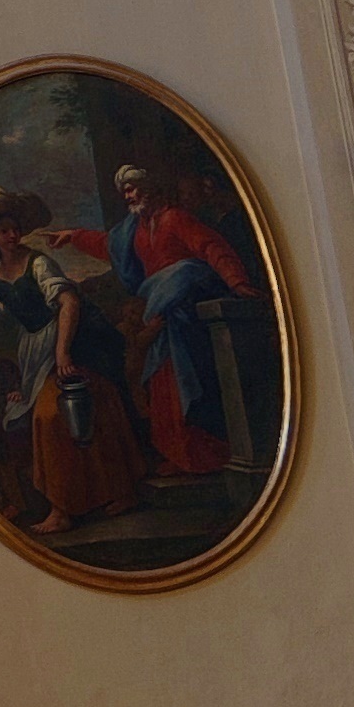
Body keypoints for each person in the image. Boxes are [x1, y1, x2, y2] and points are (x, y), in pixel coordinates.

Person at [0, 184, 152, 528]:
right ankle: (77, 502)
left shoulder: (38, 263)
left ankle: (71, 506)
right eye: (3, 231)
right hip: (37, 348)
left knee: (58, 413)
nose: (12, 235)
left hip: (78, 338)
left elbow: (69, 302)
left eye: (14, 229)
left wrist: (63, 351)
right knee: (57, 416)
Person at [102, 160, 261, 479]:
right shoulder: (136, 231)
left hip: (183, 318)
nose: (128, 196)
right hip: (158, 317)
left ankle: (201, 455)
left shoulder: (175, 218)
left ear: (149, 188)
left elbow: (210, 246)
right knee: (161, 388)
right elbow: (104, 243)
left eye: (132, 188)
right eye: (124, 191)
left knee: (183, 384)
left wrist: (236, 281)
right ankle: (176, 453)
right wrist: (73, 236)